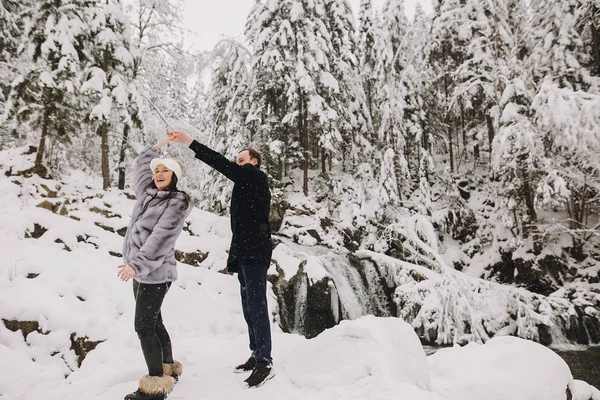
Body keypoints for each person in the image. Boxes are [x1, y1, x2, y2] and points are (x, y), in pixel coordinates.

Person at [168, 130, 274, 388]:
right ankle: (255, 353)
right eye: (237, 160)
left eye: (242, 159)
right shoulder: (246, 182)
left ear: (254, 162)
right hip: (246, 251)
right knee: (249, 305)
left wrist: (190, 142)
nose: (238, 163)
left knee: (257, 306)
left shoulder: (253, 176)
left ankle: (264, 363)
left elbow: (220, 163)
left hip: (255, 252)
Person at [118, 135, 193, 400]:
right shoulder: (147, 193)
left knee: (143, 326)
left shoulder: (176, 202)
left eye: (165, 170)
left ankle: (155, 388)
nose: (159, 173)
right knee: (154, 322)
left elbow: (159, 239)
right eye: (157, 170)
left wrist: (135, 265)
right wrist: (158, 146)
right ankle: (168, 368)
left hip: (155, 273)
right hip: (140, 271)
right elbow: (141, 165)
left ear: (174, 175)